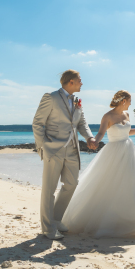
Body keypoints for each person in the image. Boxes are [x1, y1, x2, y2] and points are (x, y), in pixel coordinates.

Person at [61, 90, 135, 237]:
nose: (131, 103)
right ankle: (107, 220)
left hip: (129, 152)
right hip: (113, 153)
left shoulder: (126, 115)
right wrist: (94, 141)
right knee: (109, 186)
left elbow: (127, 132)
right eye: (130, 100)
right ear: (123, 101)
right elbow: (101, 133)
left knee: (134, 185)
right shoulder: (108, 116)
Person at [32, 70, 97, 240]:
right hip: (53, 149)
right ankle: (48, 229)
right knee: (49, 189)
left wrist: (89, 136)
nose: (82, 83)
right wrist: (43, 146)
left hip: (73, 149)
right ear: (70, 82)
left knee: (71, 184)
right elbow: (38, 123)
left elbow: (82, 122)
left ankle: (55, 220)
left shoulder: (77, 101)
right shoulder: (51, 97)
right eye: (79, 81)